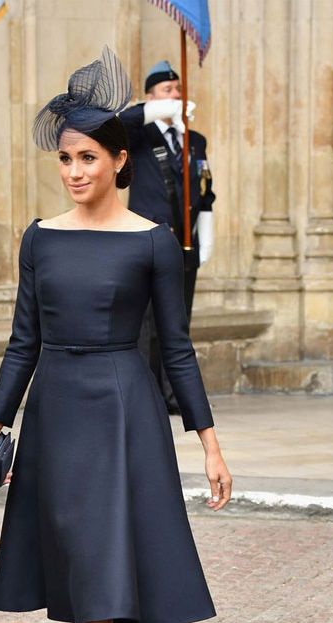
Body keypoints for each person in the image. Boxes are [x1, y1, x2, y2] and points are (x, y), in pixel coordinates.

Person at [0, 47, 232, 623]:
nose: (74, 170)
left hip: (123, 410)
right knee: (92, 563)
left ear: (120, 159)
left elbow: (177, 349)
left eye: (88, 156)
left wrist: (208, 440)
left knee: (95, 563)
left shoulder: (154, 240)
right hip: (56, 409)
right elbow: (23, 338)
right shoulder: (39, 236)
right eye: (64, 158)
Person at [120, 60, 215, 412]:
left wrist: (206, 234)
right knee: (145, 324)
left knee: (177, 322)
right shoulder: (140, 136)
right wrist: (156, 110)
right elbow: (118, 123)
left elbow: (205, 189)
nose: (175, 96)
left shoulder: (195, 140)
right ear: (151, 97)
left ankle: (172, 394)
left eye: (178, 90)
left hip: (184, 244)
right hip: (147, 243)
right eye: (166, 91)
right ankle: (147, 394)